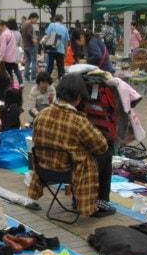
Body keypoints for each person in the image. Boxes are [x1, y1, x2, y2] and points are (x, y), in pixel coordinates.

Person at [27, 73, 112, 217]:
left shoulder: (41, 115)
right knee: (106, 155)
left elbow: (36, 141)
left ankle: (77, 199)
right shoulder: (79, 121)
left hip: (44, 170)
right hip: (70, 172)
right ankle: (101, 203)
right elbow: (101, 146)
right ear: (79, 97)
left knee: (77, 151)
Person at [44, 14, 69, 80]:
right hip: (61, 50)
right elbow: (66, 42)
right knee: (60, 67)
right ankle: (61, 79)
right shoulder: (65, 28)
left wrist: (44, 45)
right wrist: (66, 52)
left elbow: (47, 35)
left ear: (55, 19)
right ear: (61, 20)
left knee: (49, 66)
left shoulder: (52, 25)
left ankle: (46, 80)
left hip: (51, 49)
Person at [0, 20, 21, 87]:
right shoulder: (10, 32)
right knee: (16, 69)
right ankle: (21, 83)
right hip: (13, 55)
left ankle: (11, 84)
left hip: (7, 57)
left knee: (8, 71)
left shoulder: (4, 34)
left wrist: (0, 57)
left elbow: (3, 47)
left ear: (3, 25)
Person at [21, 13, 39, 82]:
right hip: (31, 45)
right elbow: (29, 33)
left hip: (25, 45)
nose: (36, 21)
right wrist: (33, 39)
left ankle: (26, 77)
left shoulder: (24, 24)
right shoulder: (29, 24)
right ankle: (33, 77)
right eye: (36, 19)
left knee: (28, 61)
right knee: (34, 61)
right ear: (32, 18)